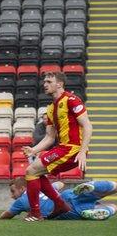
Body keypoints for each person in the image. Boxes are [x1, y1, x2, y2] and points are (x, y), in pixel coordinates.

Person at [21, 72, 93, 221]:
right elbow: (49, 137)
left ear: (59, 84)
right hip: (64, 148)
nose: (45, 84)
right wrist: (34, 150)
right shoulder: (50, 109)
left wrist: (82, 150)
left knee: (31, 170)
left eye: (49, 81)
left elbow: (87, 126)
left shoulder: (72, 100)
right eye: (44, 81)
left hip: (73, 149)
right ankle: (60, 205)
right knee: (35, 172)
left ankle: (36, 213)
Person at [0, 177, 117, 221]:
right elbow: (61, 184)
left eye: (13, 191)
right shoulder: (41, 188)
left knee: (111, 207)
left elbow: (6, 215)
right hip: (66, 195)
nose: (12, 195)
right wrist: (53, 187)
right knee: (101, 192)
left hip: (65, 211)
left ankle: (107, 210)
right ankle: (98, 186)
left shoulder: (21, 201)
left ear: (22, 188)